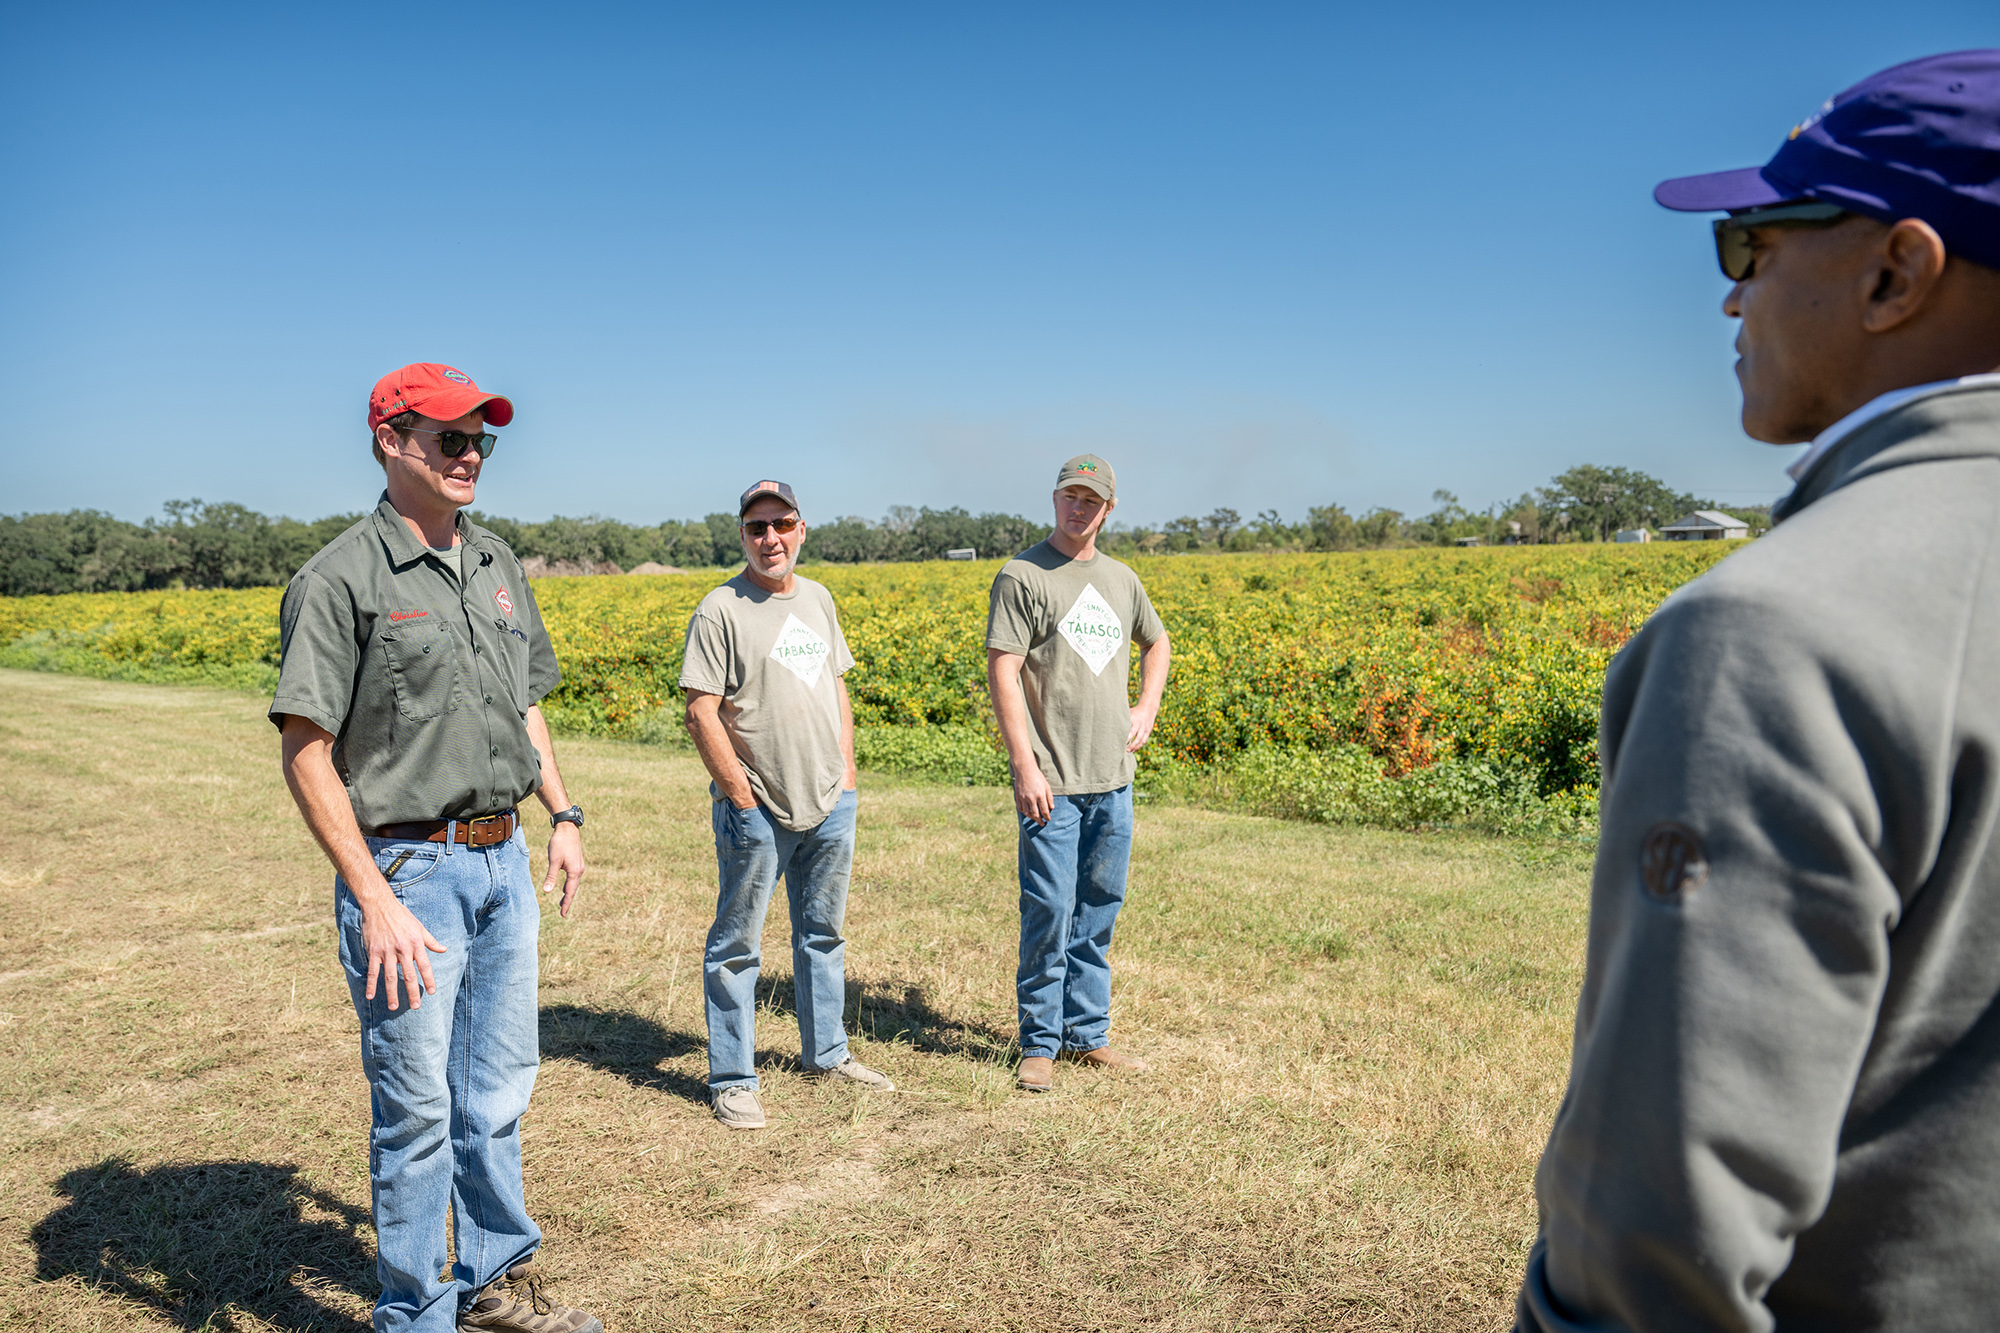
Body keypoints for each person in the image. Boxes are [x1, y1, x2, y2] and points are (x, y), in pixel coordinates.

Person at [1517, 51, 2000, 1331]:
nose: (1732, 302)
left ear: (1895, 274)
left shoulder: (1771, 632)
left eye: (1751, 245)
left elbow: (1651, 1241)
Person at [272, 363, 600, 1333]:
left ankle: (495, 1281)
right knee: (415, 1112)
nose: (469, 455)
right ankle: (413, 1312)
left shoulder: (496, 563)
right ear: (391, 440)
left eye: (480, 440)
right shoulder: (338, 579)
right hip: (408, 874)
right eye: (449, 437)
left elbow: (523, 703)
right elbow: (306, 750)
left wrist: (564, 813)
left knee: (496, 1093)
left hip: (504, 863)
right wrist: (371, 895)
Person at [681, 479, 894, 1131]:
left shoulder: (820, 599)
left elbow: (835, 685)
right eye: (756, 527)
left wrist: (848, 770)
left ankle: (826, 1053)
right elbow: (700, 710)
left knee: (823, 932)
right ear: (741, 535)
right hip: (758, 807)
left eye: (782, 523)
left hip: (831, 798)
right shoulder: (721, 608)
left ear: (802, 528)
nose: (769, 537)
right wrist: (740, 793)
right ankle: (733, 1078)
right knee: (738, 945)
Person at [986, 455, 1171, 1093]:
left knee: (1098, 909)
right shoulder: (1024, 575)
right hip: (1052, 781)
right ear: (1055, 498)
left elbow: (1158, 642)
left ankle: (1087, 1036)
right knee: (1049, 908)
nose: (1078, 508)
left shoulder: (1122, 580)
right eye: (1070, 496)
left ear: (1108, 509)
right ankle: (1038, 1042)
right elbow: (1004, 667)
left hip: (1112, 778)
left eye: (1091, 501)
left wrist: (1145, 706)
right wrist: (1024, 763)